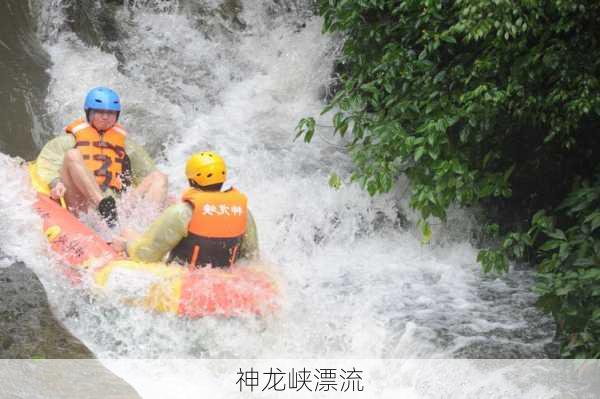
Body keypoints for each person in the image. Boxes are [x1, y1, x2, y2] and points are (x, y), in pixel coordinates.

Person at [34, 87, 168, 225]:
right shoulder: (68, 141)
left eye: (110, 113)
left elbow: (147, 175)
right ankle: (104, 207)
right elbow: (46, 165)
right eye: (100, 112)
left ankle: (144, 228)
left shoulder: (128, 148)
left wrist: (166, 199)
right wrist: (56, 184)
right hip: (83, 204)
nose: (105, 117)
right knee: (72, 155)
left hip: (118, 207)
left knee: (159, 177)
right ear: (89, 112)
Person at [113, 151, 258, 268]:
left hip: (183, 280)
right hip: (221, 278)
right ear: (223, 178)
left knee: (127, 232)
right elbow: (251, 257)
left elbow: (146, 255)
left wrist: (126, 245)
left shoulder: (182, 213)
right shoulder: (244, 212)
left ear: (191, 180)